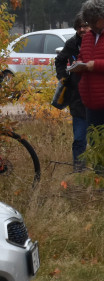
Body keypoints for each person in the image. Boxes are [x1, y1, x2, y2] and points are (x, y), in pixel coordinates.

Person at [56, 13, 89, 167]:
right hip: (77, 97)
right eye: (79, 27)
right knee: (79, 138)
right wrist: (64, 78)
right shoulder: (72, 43)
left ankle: (98, 173)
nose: (82, 29)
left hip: (97, 96)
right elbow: (60, 60)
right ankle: (79, 170)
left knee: (98, 138)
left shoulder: (99, 42)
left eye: (85, 26)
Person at [70, 0, 104, 131]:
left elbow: (92, 63)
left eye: (94, 21)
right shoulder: (88, 36)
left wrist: (94, 65)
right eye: (89, 21)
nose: (92, 24)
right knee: (94, 143)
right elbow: (82, 56)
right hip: (90, 101)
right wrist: (78, 64)